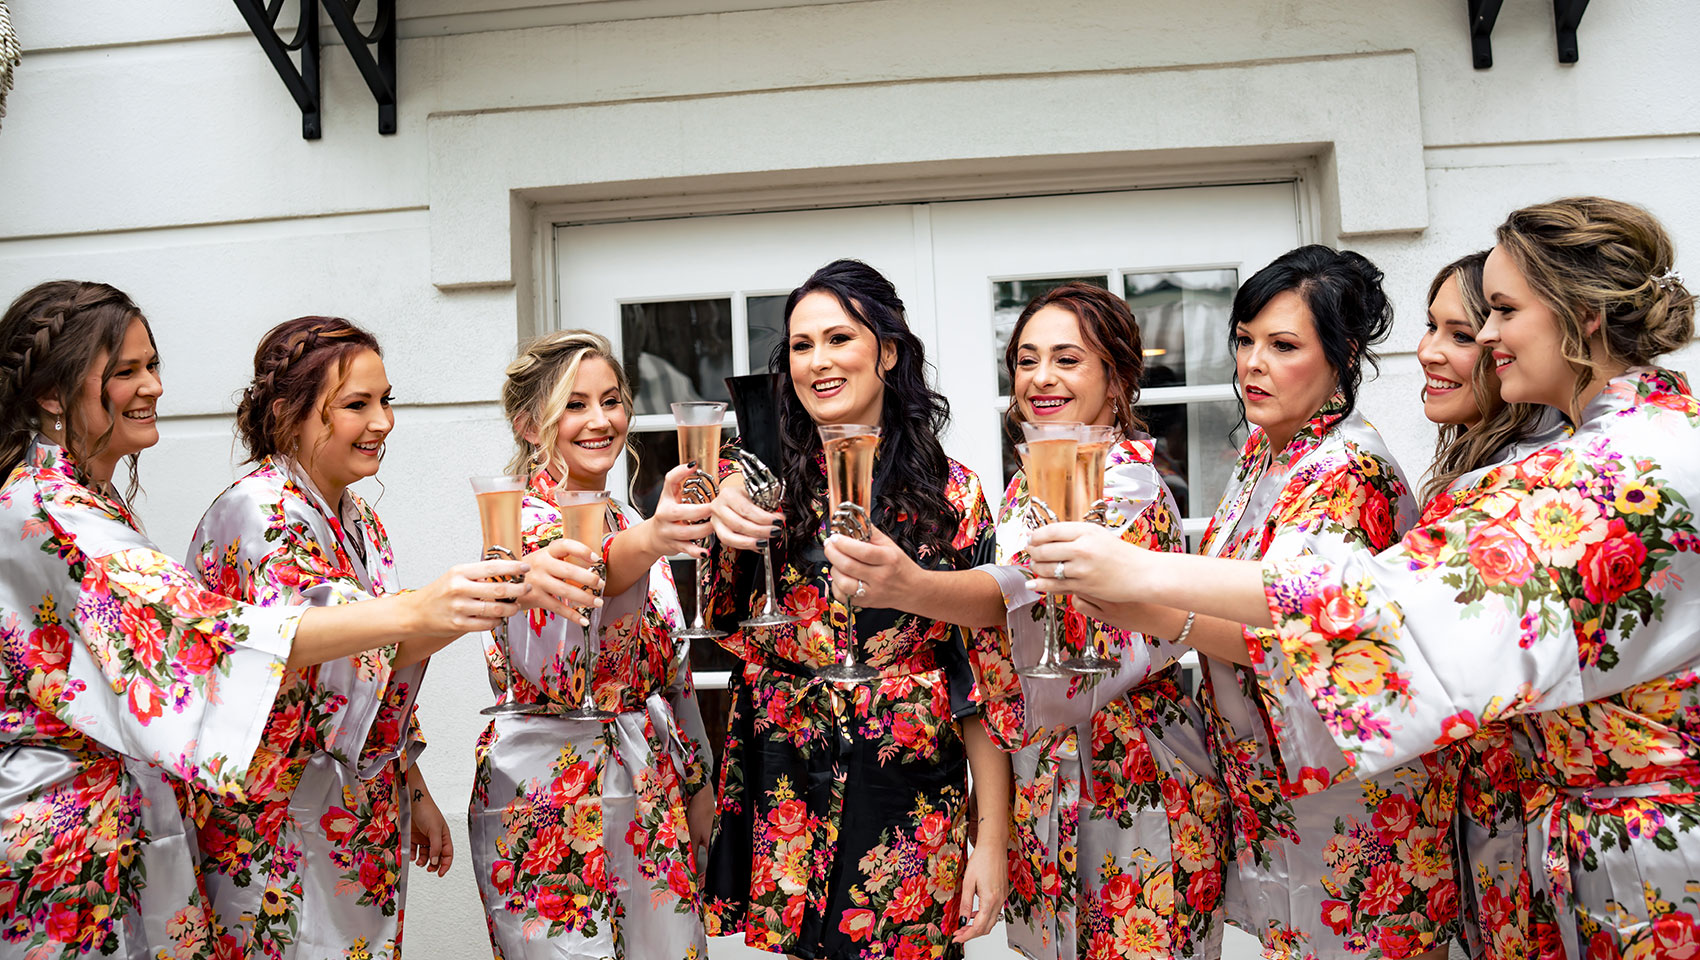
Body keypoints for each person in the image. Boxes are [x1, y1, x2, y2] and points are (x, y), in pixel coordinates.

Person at [1026, 197, 1700, 960]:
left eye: (1501, 310)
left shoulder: (1606, 472)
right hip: (1567, 830)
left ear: (1579, 316)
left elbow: (1382, 607)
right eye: (1245, 341)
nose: (1483, 336)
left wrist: (1144, 578)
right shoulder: (1636, 444)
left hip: (1634, 849)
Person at [0, 282, 527, 959]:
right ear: (52, 393)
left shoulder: (82, 501)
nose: (154, 386)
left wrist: (412, 770)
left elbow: (365, 658)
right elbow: (204, 635)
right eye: (126, 370)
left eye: (152, 365)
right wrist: (421, 608)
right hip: (99, 842)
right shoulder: (47, 508)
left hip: (187, 826)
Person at [1038, 248, 1459, 958]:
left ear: (1343, 354)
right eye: (1244, 340)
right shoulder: (1263, 455)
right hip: (1270, 781)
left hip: (1350, 794)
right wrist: (1113, 596)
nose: (1252, 364)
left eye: (1283, 345)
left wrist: (1138, 582)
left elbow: (1290, 634)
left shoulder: (1347, 469)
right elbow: (1215, 614)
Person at [186, 317, 560, 957]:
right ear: (288, 414)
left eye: (386, 399)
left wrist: (413, 789)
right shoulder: (259, 512)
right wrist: (459, 604)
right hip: (275, 816)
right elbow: (328, 650)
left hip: (355, 807)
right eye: (357, 404)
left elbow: (378, 660)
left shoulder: (362, 520)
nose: (383, 420)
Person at [703, 259, 1010, 959]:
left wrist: (990, 841)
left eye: (840, 339)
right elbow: (714, 609)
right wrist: (709, 506)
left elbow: (985, 683)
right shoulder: (755, 479)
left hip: (904, 786)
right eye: (802, 346)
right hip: (788, 776)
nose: (819, 361)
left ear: (888, 351)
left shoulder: (952, 495)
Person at [966, 281, 1226, 960]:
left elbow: (1019, 610)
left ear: (1116, 381)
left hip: (1138, 781)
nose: (1040, 377)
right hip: (1051, 782)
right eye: (1025, 359)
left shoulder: (1127, 489)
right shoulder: (1032, 481)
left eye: (1066, 358)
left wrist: (911, 588)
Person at [469, 330, 718, 959]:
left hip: (647, 785)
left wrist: (698, 782)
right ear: (531, 424)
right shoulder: (519, 525)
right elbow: (586, 580)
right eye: (574, 405)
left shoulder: (628, 521)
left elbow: (674, 675)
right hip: (547, 790)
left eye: (612, 400)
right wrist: (656, 538)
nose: (601, 420)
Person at [1415, 253, 1567, 959]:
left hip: (1529, 801)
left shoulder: (1523, 483)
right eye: (1430, 327)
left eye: (1459, 331)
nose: (1428, 351)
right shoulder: (1478, 465)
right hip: (1487, 800)